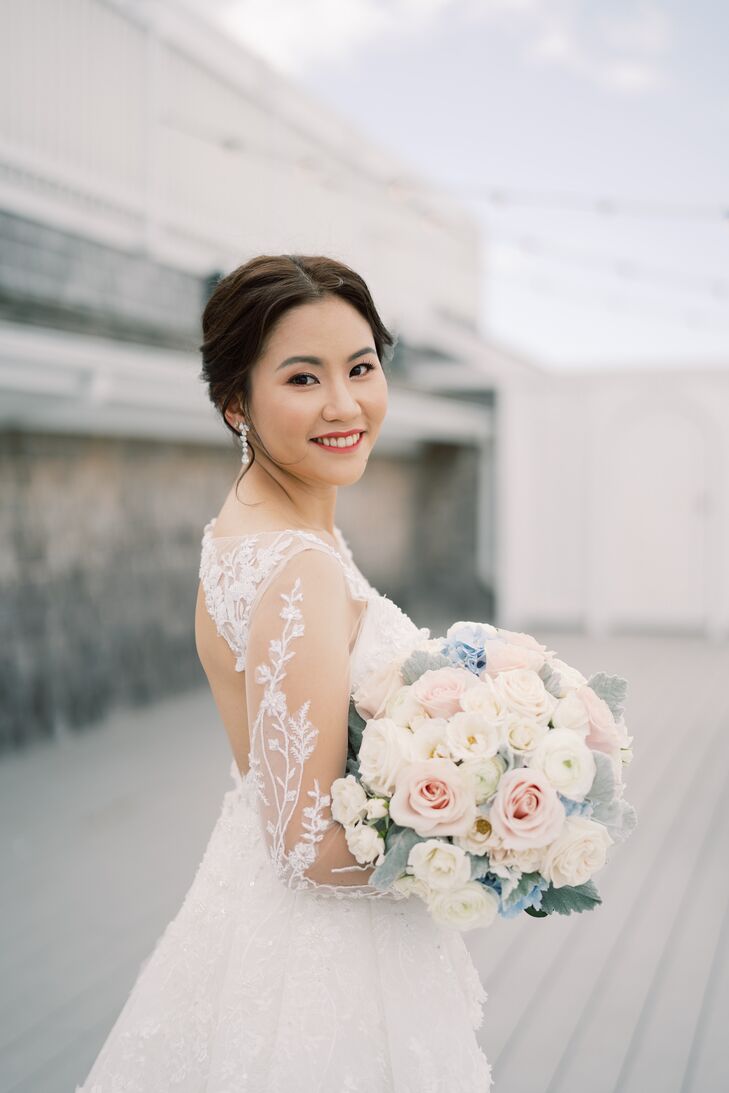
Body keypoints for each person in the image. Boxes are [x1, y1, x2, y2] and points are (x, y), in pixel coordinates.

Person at [76, 254, 493, 1091]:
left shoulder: (250, 530)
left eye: (361, 367)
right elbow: (307, 844)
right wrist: (487, 838)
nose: (345, 405)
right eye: (303, 378)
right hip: (325, 960)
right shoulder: (295, 563)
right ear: (237, 402)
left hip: (259, 916)